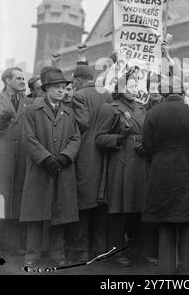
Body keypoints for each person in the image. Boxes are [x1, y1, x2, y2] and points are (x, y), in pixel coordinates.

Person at [142, 76, 189, 274]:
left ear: (162, 93)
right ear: (181, 92)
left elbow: (147, 145)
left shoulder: (153, 112)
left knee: (166, 227)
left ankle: (167, 274)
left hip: (161, 173)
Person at [20, 69, 81, 268]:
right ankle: (32, 253)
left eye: (64, 88)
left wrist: (65, 157)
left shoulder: (69, 112)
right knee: (35, 212)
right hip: (40, 169)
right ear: (46, 88)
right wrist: (45, 158)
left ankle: (57, 253)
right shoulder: (32, 110)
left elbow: (75, 138)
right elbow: (28, 138)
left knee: (60, 211)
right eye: (57, 87)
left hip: (62, 169)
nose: (61, 91)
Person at [95, 69, 148, 267]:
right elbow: (99, 138)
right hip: (121, 163)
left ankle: (135, 249)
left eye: (136, 85)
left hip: (141, 163)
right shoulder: (111, 108)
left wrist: (147, 145)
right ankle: (115, 251)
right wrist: (120, 138)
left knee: (137, 208)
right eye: (130, 85)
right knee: (118, 209)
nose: (134, 89)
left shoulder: (143, 109)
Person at [68, 65, 112, 262]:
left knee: (83, 201)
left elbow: (83, 122)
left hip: (86, 153)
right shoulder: (107, 94)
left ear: (78, 79)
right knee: (101, 202)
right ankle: (99, 249)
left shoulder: (79, 95)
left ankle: (81, 250)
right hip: (105, 152)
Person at [0, 67, 31, 256]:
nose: (22, 81)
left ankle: (11, 243)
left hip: (21, 160)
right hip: (2, 159)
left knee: (16, 200)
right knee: (1, 200)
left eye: (23, 78)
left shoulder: (26, 102)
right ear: (7, 80)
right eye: (18, 78)